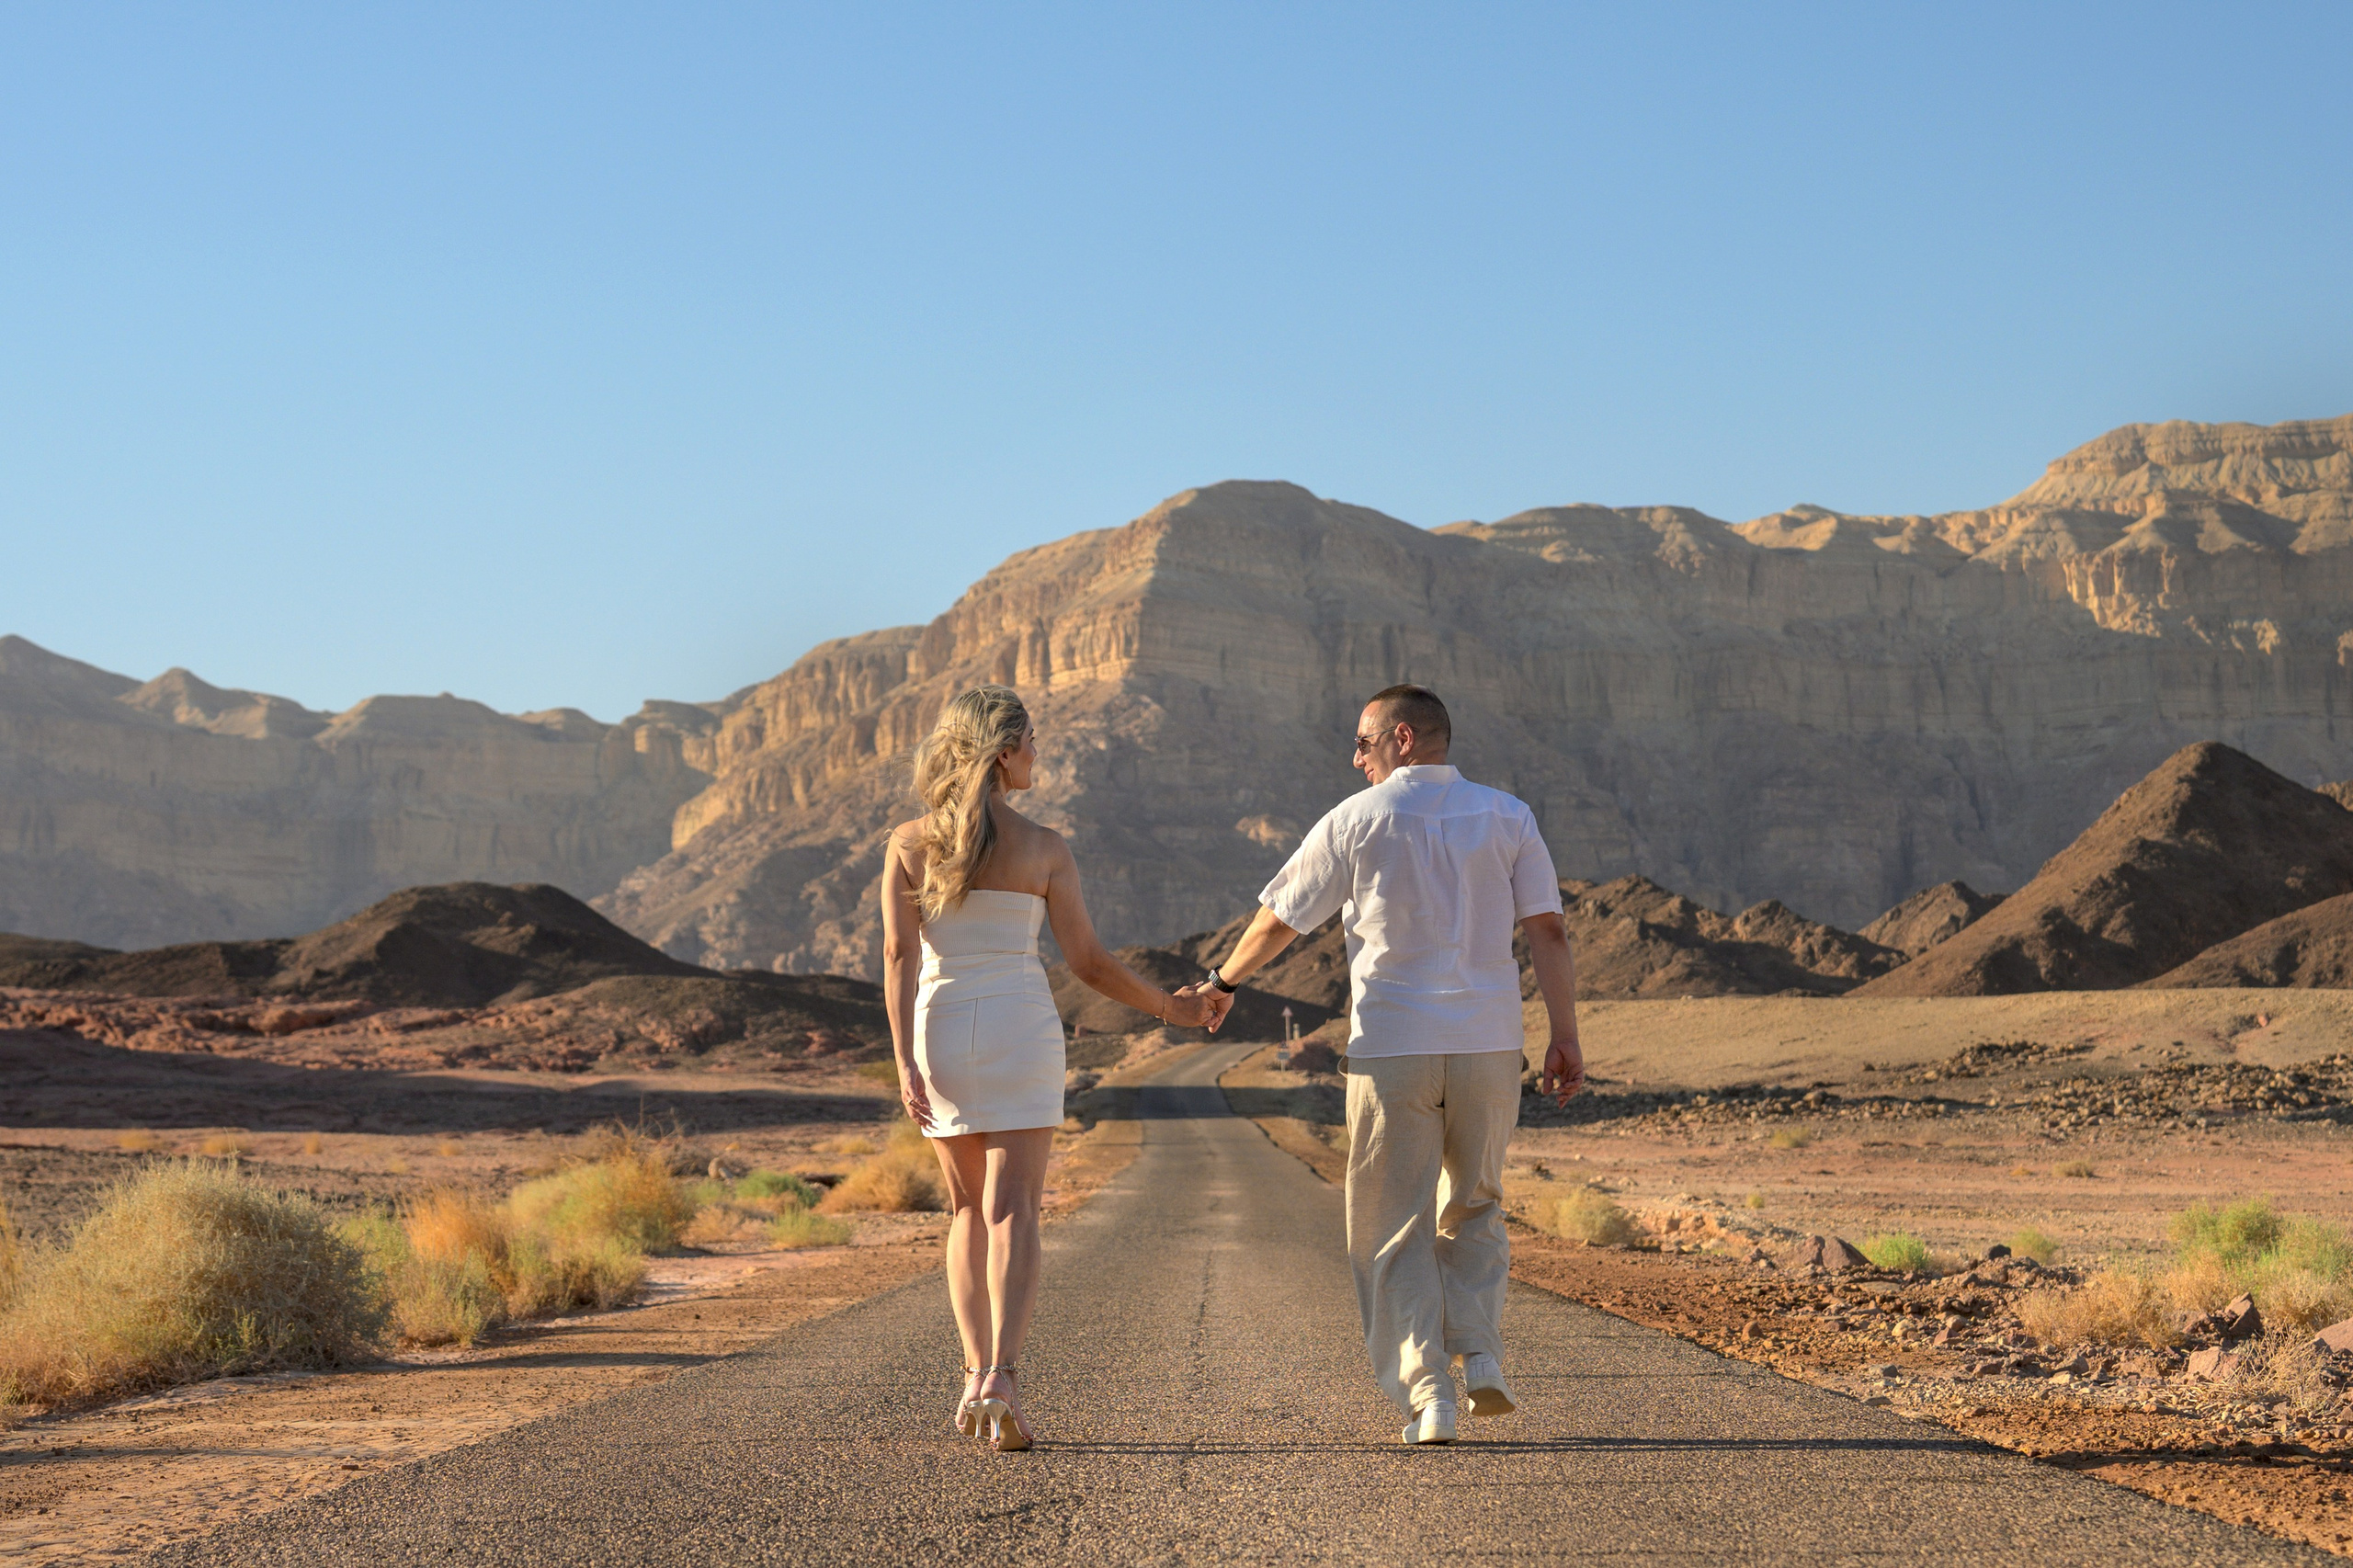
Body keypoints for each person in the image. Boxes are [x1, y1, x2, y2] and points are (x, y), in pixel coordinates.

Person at [1187, 684, 1585, 1445]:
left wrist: (1222, 984)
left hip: (1392, 1050)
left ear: (1402, 737)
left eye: (1364, 744)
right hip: (1488, 1046)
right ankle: (1485, 1356)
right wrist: (1564, 1033)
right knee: (1475, 1202)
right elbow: (1550, 933)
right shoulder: (1509, 815)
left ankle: (1429, 1394)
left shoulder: (1356, 819)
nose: (1355, 758)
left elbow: (1280, 920)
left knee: (1391, 1224)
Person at [883, 684, 1213, 1452]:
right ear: (1004, 752)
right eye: (1031, 740)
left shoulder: (908, 843)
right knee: (1015, 1212)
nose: (1039, 754)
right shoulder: (1045, 847)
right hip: (1020, 1028)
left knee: (966, 1213)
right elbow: (1090, 965)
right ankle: (1003, 1374)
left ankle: (972, 1377)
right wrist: (1173, 1008)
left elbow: (900, 957)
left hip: (938, 1031)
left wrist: (903, 1059)